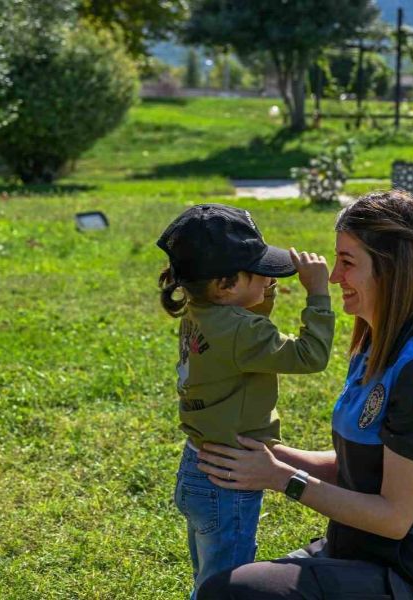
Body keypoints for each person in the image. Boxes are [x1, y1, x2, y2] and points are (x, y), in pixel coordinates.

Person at [194, 191, 413, 600]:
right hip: (353, 549)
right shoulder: (377, 343)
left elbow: (395, 517)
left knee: (232, 593)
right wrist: (264, 452)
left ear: (391, 268)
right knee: (231, 587)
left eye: (347, 262)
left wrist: (280, 478)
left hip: (408, 574)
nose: (333, 277)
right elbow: (360, 468)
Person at [156, 203, 335, 599]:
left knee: (209, 580)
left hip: (198, 466)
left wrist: (260, 297)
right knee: (228, 588)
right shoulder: (240, 331)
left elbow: (245, 336)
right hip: (228, 480)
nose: (268, 277)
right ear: (226, 285)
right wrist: (318, 294)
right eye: (260, 272)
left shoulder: (200, 309)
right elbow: (311, 356)